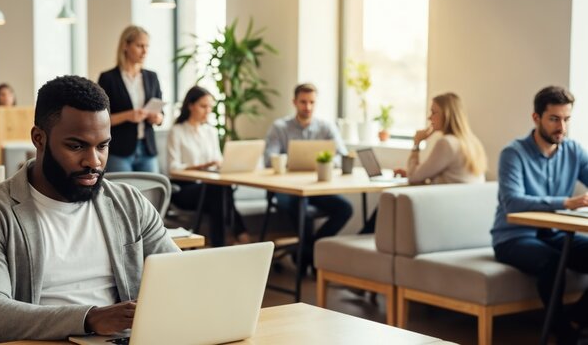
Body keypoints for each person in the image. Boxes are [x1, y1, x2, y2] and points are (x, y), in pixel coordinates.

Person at [0, 75, 179, 344]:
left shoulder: (129, 203)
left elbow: (179, 277)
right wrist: (90, 318)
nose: (93, 161)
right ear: (39, 138)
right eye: (76, 146)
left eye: (103, 146)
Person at [492, 86, 588, 345]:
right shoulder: (513, 153)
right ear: (536, 118)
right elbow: (513, 202)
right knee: (553, 262)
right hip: (513, 237)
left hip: (555, 233)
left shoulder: (573, 151)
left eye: (567, 119)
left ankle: (575, 317)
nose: (562, 128)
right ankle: (564, 334)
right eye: (554, 119)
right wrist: (567, 202)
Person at [360, 93, 488, 234]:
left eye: (434, 113)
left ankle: (361, 239)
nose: (429, 118)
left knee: (391, 198)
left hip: (446, 211)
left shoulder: (447, 143)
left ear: (447, 115)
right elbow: (446, 177)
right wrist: (414, 173)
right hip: (464, 211)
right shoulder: (471, 142)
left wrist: (416, 143)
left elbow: (414, 178)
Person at [264, 83, 353, 274]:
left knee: (345, 209)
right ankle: (308, 258)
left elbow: (342, 155)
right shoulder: (280, 127)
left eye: (312, 102)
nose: (308, 107)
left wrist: (325, 161)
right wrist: (289, 163)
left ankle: (308, 251)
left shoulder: (326, 127)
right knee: (300, 208)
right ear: (294, 102)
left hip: (315, 188)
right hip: (285, 189)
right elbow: (269, 159)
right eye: (303, 102)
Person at [167, 86, 251, 247]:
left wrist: (224, 164)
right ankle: (237, 234)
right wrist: (200, 166)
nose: (208, 111)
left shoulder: (210, 131)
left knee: (219, 189)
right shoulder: (177, 131)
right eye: (203, 106)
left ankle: (221, 244)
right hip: (184, 189)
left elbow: (217, 159)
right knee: (218, 191)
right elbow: (173, 167)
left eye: (210, 107)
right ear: (190, 106)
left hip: (210, 187)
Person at [98, 25, 164, 173]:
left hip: (147, 149)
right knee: (120, 194)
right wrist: (128, 116)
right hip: (119, 150)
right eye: (140, 46)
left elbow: (161, 115)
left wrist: (157, 118)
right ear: (125, 46)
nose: (145, 51)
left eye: (147, 46)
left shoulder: (152, 77)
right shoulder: (108, 78)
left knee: (151, 195)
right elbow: (100, 118)